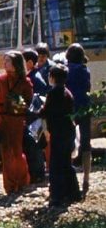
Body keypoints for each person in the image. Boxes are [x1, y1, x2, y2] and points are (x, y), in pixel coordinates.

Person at [39, 64, 81, 206]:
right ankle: (74, 193)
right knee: (66, 163)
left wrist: (35, 110)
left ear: (52, 77)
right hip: (68, 131)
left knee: (56, 165)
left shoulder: (53, 93)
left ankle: (57, 196)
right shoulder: (67, 92)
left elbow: (46, 112)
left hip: (58, 132)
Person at [0, 51, 32, 194]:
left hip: (16, 119)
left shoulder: (25, 81)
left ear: (16, 64)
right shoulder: (1, 79)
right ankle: (9, 185)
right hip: (2, 119)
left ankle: (21, 181)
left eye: (8, 61)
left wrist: (16, 102)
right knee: (5, 152)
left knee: (17, 151)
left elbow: (28, 101)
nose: (4, 63)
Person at [65, 43, 92, 196]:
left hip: (70, 110)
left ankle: (70, 177)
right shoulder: (85, 70)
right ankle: (86, 179)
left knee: (68, 142)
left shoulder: (66, 70)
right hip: (85, 108)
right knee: (86, 144)